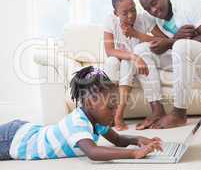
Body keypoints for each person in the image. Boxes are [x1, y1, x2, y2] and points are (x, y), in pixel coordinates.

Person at [0, 66, 162, 161]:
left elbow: (118, 139)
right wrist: (134, 153)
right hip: (13, 140)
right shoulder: (78, 123)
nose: (115, 112)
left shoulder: (97, 121)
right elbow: (93, 152)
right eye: (110, 107)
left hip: (26, 131)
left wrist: (138, 140)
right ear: (90, 102)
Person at [132, 0, 201, 129]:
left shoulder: (189, 0)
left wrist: (171, 42)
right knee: (141, 50)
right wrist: (172, 41)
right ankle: (157, 110)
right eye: (148, 9)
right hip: (182, 63)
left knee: (180, 46)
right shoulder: (155, 18)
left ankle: (179, 113)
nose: (153, 10)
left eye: (154, 3)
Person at [103, 0, 166, 131]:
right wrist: (134, 57)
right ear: (116, 13)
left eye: (133, 10)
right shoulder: (110, 21)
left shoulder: (144, 19)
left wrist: (136, 34)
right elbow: (109, 51)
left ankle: (118, 116)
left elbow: (163, 41)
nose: (131, 15)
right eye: (125, 13)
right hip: (125, 59)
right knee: (111, 62)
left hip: (134, 63)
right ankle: (107, 113)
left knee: (127, 63)